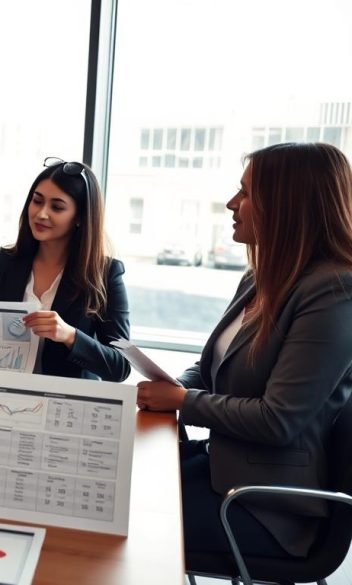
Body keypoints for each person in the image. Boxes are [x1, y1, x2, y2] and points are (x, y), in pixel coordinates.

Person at [136, 142, 352, 559]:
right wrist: (172, 386)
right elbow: (211, 368)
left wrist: (183, 401)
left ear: (287, 204)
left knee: (129, 518)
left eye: (246, 193)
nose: (232, 203)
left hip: (269, 507)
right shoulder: (261, 276)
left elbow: (278, 420)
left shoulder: (334, 291)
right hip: (225, 468)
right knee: (115, 483)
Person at [0, 158, 130, 381]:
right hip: (5, 395)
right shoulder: (6, 261)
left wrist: (70, 335)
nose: (41, 214)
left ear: (80, 217)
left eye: (57, 207)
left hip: (66, 405)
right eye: (37, 201)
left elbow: (120, 367)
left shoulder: (105, 273)